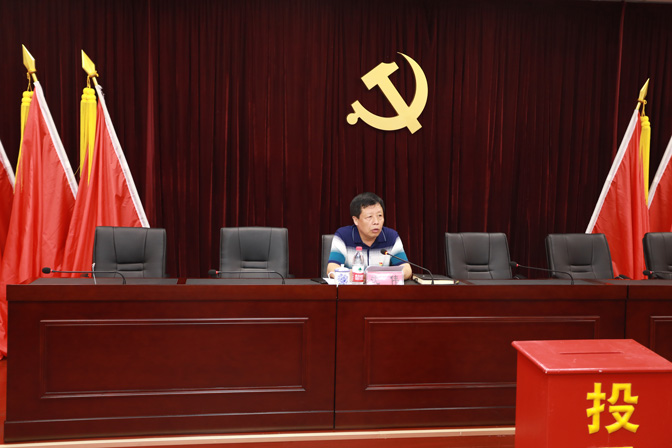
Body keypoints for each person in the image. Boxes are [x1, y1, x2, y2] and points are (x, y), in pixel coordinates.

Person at [327, 192, 412, 280]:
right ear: (356, 220)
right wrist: (352, 275)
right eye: (369, 217)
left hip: (381, 287)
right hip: (353, 287)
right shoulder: (343, 236)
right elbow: (331, 268)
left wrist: (380, 277)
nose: (376, 222)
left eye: (380, 216)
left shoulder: (391, 236)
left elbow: (407, 270)